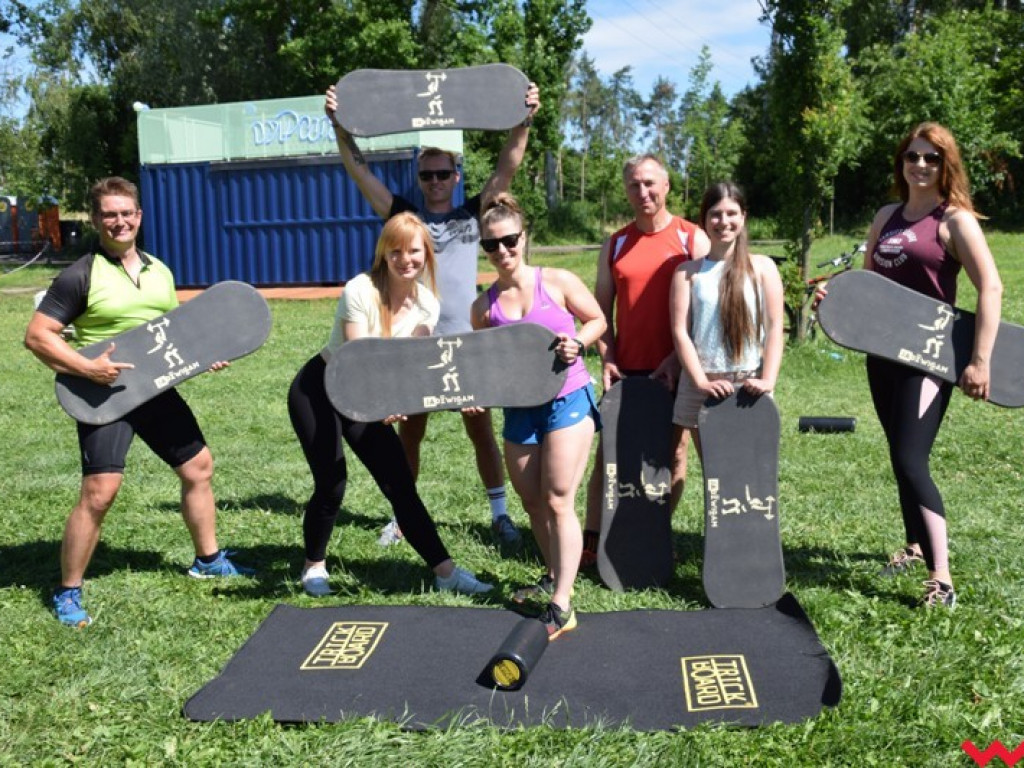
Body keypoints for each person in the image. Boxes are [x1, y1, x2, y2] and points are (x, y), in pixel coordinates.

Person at [24, 176, 253, 628]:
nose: (119, 221)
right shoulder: (80, 275)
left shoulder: (159, 271)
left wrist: (203, 358)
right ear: (96, 220)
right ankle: (68, 590)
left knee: (198, 467)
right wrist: (86, 369)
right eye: (109, 214)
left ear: (139, 217)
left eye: (127, 213)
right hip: (102, 394)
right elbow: (37, 336)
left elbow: (172, 334)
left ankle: (207, 560)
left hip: (154, 390)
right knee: (99, 492)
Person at [324, 81, 540, 552]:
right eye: (428, 176)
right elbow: (361, 174)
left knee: (480, 430)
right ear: (419, 179)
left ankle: (501, 516)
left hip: (467, 343)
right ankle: (402, 517)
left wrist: (523, 118)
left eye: (443, 173)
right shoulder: (404, 219)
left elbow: (508, 165)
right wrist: (340, 127)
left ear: (456, 176)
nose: (436, 182)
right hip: (414, 346)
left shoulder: (472, 214)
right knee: (409, 435)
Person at [288, 211, 492, 598]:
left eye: (414, 251)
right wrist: (384, 404)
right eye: (395, 251)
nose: (405, 259)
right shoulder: (360, 290)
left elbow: (411, 367)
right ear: (384, 253)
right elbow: (357, 360)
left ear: (426, 255)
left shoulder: (427, 304)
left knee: (399, 484)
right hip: (322, 388)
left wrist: (422, 399)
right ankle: (313, 565)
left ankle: (445, 572)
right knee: (332, 483)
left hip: (373, 394)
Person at [856, 122, 1001, 607]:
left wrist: (979, 360)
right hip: (884, 356)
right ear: (901, 163)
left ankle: (942, 577)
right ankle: (916, 547)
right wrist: (839, 307)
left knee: (911, 459)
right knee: (899, 453)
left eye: (931, 158)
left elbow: (992, 288)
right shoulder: (886, 217)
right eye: (912, 156)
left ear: (946, 165)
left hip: (930, 360)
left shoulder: (955, 221)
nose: (920, 165)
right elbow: (869, 290)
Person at [470, 194, 605, 639]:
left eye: (509, 240)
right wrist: (476, 394)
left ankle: (562, 604)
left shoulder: (558, 281)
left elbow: (598, 319)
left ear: (524, 238)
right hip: (519, 410)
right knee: (531, 501)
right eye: (492, 244)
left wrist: (579, 341)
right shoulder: (484, 307)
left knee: (558, 499)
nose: (502, 250)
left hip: (567, 398)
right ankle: (552, 573)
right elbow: (484, 364)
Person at [580, 154, 711, 567]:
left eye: (651, 184)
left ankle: (653, 530)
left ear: (667, 186)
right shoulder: (615, 243)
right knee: (610, 458)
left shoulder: (693, 239)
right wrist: (607, 357)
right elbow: (599, 312)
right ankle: (591, 540)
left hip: (681, 369)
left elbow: (707, 312)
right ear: (626, 190)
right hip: (630, 371)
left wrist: (676, 359)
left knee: (672, 455)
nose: (644, 192)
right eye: (635, 185)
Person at [669, 181, 784, 451]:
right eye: (715, 214)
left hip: (749, 381)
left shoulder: (763, 267)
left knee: (746, 466)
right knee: (713, 468)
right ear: (704, 220)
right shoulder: (687, 272)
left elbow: (775, 326)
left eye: (731, 213)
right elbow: (680, 332)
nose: (724, 221)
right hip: (702, 382)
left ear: (743, 217)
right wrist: (700, 382)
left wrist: (767, 380)